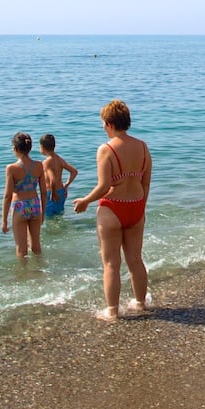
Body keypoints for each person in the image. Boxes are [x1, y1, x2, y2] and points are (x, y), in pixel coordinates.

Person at [73, 100, 152, 321]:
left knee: (110, 263)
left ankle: (112, 311)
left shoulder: (106, 149)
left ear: (109, 123)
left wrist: (85, 201)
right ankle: (140, 303)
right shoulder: (142, 147)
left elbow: (103, 186)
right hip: (136, 205)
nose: (103, 128)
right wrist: (141, 205)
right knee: (135, 260)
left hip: (112, 208)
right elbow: (146, 182)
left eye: (103, 124)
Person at [1, 132, 46, 259]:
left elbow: (7, 195)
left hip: (20, 206)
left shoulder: (12, 168)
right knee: (36, 246)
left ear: (15, 149)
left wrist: (4, 220)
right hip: (35, 205)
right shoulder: (39, 165)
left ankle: (23, 276)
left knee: (21, 248)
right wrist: (43, 211)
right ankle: (40, 271)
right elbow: (43, 192)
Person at [39, 133, 77, 217]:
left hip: (52, 194)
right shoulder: (59, 159)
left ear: (42, 147)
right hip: (61, 192)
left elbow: (52, 179)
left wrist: (53, 193)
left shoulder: (46, 163)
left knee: (49, 218)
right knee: (59, 215)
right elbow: (74, 171)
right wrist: (66, 185)